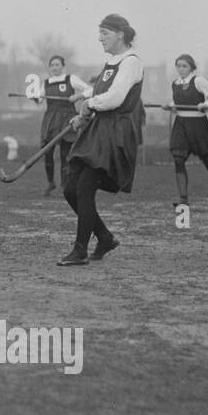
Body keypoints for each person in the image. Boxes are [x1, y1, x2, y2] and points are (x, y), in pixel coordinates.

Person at [57, 14, 144, 266]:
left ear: (120, 34)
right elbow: (98, 92)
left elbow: (115, 98)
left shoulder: (131, 62)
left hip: (115, 132)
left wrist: (88, 105)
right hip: (98, 128)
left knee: (84, 188)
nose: (100, 38)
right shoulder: (112, 62)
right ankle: (104, 237)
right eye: (100, 33)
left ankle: (80, 250)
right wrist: (84, 112)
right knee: (71, 189)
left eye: (104, 33)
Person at [164, 54, 208, 207]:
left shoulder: (198, 81)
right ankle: (183, 199)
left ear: (191, 67)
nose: (181, 69)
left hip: (198, 125)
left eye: (184, 66)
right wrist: (171, 106)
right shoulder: (175, 83)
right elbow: (179, 102)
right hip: (181, 124)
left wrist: (206, 104)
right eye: (178, 66)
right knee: (178, 159)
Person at [35, 55, 90, 195]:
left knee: (65, 153)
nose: (54, 67)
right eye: (52, 65)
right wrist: (34, 98)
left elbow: (90, 90)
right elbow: (39, 101)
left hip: (67, 118)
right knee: (47, 152)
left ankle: (64, 185)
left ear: (62, 66)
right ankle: (50, 182)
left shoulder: (70, 79)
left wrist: (77, 96)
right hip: (51, 119)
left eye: (57, 64)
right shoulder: (46, 82)